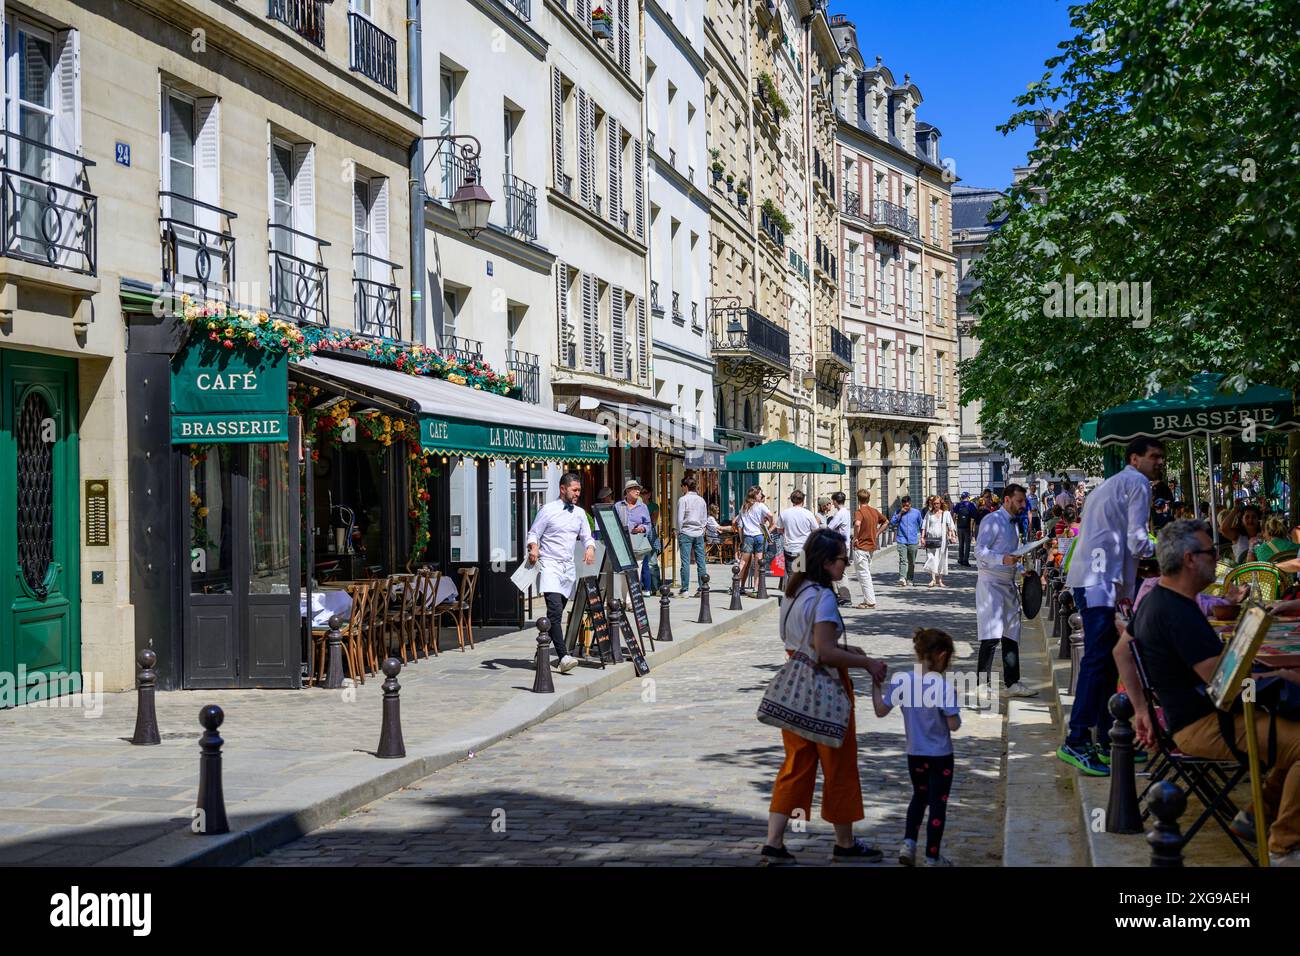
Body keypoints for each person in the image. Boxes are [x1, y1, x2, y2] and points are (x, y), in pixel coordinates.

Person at [1114, 519, 1300, 866]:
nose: (1216, 559)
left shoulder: (1158, 599)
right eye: (1210, 552)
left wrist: (1141, 710)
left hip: (1195, 716)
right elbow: (1225, 687)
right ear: (1189, 559)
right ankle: (1284, 846)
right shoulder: (1178, 613)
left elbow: (1122, 652)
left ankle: (1257, 814)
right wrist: (1278, 677)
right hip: (1208, 723)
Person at [762, 529, 889, 865]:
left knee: (795, 767)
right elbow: (825, 652)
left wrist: (847, 649)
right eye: (842, 560)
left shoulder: (793, 590)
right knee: (839, 768)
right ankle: (844, 844)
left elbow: (802, 644)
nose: (845, 566)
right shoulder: (825, 598)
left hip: (796, 690)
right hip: (826, 690)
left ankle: (773, 842)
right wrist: (866, 662)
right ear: (827, 562)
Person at [1058, 436, 1164, 776]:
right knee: (1097, 660)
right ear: (1135, 458)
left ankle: (1106, 739)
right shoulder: (1138, 483)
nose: (1159, 462)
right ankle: (1076, 740)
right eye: (1154, 456)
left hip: (1093, 578)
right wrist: (1169, 548)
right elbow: (1136, 539)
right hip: (1099, 581)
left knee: (1103, 662)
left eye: (1161, 457)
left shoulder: (1110, 485)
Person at [872, 628, 962, 866]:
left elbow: (880, 710)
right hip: (941, 755)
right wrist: (954, 708)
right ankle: (932, 857)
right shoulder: (942, 687)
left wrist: (875, 686)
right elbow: (953, 725)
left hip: (915, 754)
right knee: (937, 805)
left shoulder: (902, 681)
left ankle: (908, 844)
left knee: (918, 798)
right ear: (941, 656)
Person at [526, 472, 596, 674]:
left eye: (579, 490)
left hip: (567, 570)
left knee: (554, 614)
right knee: (555, 611)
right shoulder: (547, 510)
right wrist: (533, 547)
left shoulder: (580, 513)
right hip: (549, 566)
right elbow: (534, 533)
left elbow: (586, 536)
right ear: (562, 489)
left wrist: (590, 548)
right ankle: (564, 657)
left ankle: (542, 650)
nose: (577, 494)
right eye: (574, 490)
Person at [974, 483, 1037, 701]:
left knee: (1011, 635)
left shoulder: (1014, 524)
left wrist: (1020, 570)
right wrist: (1003, 559)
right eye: (1019, 501)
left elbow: (1011, 554)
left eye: (1023, 501)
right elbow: (979, 551)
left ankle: (1013, 682)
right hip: (991, 584)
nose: (1023, 505)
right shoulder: (992, 520)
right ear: (1007, 499)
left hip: (1008, 584)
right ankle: (982, 685)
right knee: (990, 636)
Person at [615, 479, 655, 591]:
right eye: (634, 489)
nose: (638, 491)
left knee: (636, 572)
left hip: (637, 544)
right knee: (624, 573)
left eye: (638, 489)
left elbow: (648, 524)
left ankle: (633, 600)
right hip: (623, 544)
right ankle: (626, 600)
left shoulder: (643, 507)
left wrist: (642, 528)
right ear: (627, 491)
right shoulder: (619, 506)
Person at [733, 486, 774, 592]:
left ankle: (735, 585)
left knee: (742, 562)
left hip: (748, 537)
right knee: (758, 564)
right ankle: (756, 588)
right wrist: (770, 523)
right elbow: (770, 515)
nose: (761, 495)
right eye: (760, 493)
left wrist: (742, 540)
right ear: (755, 495)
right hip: (759, 536)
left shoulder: (744, 507)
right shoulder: (760, 506)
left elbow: (739, 525)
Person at [851, 489, 886, 609]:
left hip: (861, 547)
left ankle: (870, 601)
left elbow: (857, 524)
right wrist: (876, 533)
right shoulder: (874, 511)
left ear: (858, 499)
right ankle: (867, 599)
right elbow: (886, 522)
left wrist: (855, 537)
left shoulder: (860, 512)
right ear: (869, 498)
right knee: (866, 573)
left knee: (863, 575)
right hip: (871, 546)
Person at [676, 476, 708, 596]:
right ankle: (702, 587)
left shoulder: (683, 500)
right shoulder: (701, 500)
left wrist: (679, 532)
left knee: (685, 562)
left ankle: (685, 589)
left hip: (686, 532)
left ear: (685, 486)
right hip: (698, 533)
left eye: (682, 486)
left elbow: (680, 518)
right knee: (701, 562)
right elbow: (704, 519)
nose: (681, 489)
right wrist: (702, 529)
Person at [776, 490, 820, 577]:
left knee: (791, 575)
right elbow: (816, 530)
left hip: (789, 548)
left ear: (791, 500)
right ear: (803, 501)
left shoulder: (784, 513)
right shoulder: (808, 514)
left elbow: (779, 530)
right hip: (803, 548)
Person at [889, 495, 925, 586]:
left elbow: (921, 525)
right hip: (902, 539)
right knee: (903, 560)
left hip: (913, 540)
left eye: (907, 506)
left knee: (912, 562)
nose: (906, 507)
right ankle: (902, 578)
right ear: (902, 505)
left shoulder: (916, 512)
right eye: (904, 505)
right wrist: (900, 513)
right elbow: (892, 523)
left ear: (910, 504)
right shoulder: (898, 512)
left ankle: (910, 578)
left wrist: (923, 537)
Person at [922, 495, 956, 588]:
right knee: (931, 558)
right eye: (934, 503)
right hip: (931, 539)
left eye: (937, 503)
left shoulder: (946, 513)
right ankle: (933, 579)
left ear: (941, 503)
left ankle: (940, 580)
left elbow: (950, 526)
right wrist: (922, 537)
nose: (936, 505)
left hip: (942, 540)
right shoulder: (929, 513)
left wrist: (952, 536)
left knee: (941, 559)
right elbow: (924, 526)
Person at [826, 492, 853, 605]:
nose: (832, 503)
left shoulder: (840, 514)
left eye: (833, 501)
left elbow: (830, 527)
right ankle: (839, 594)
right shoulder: (846, 512)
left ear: (836, 501)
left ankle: (845, 597)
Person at [953, 492, 978, 567]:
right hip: (967, 527)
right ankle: (965, 560)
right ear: (968, 497)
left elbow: (954, 515)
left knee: (961, 543)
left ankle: (960, 559)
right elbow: (974, 517)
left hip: (959, 527)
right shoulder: (970, 505)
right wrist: (972, 529)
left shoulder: (958, 504)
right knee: (967, 544)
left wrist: (953, 526)